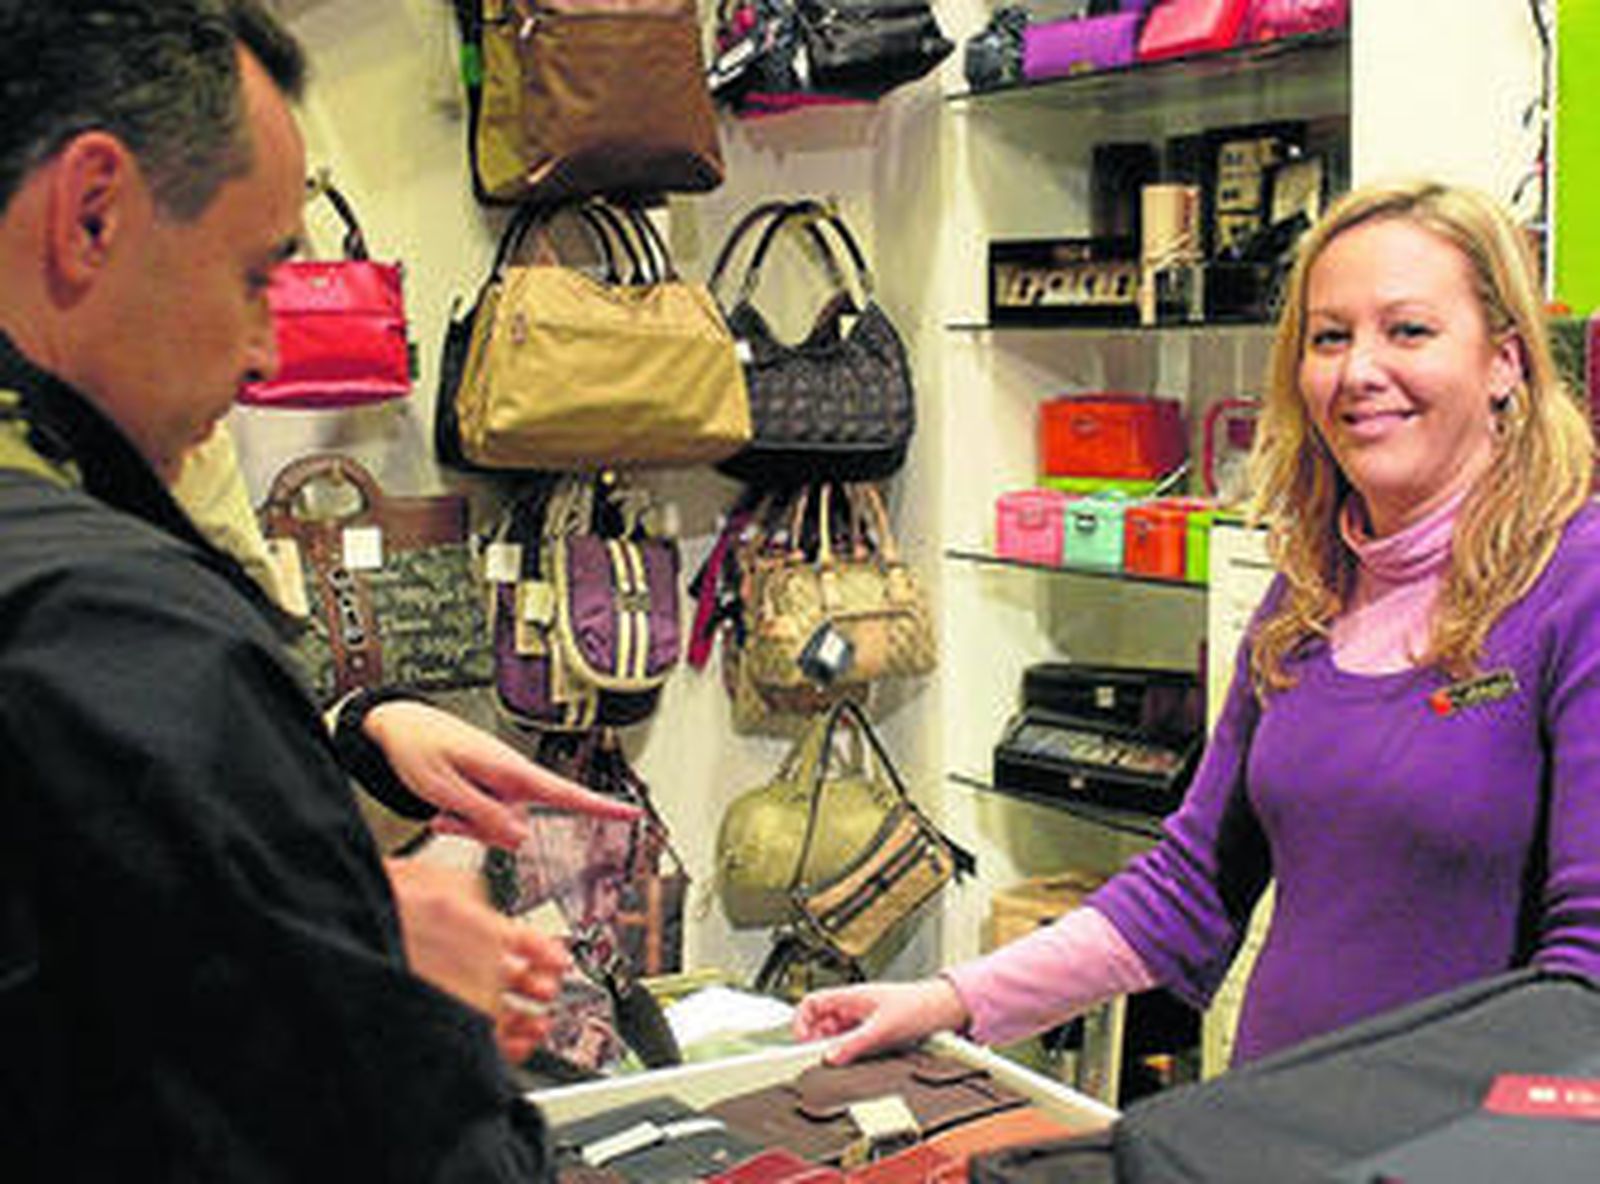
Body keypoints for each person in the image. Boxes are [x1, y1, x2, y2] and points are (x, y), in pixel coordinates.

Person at [0, 2, 630, 1177]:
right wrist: (387, 977)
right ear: (92, 212)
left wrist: (342, 785)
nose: (266, 355)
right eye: (253, 276)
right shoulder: (114, 622)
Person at [796, 179, 1600, 1071]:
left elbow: (1586, 980)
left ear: (1506, 362)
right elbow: (1187, 891)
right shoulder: (1305, 594)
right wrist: (948, 1000)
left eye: (1408, 331)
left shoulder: (1578, 583)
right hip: (1269, 1123)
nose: (1359, 371)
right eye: (1329, 337)